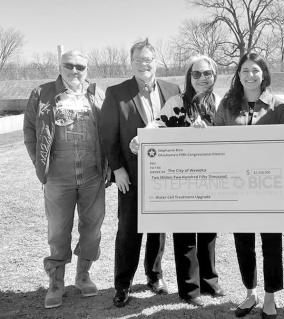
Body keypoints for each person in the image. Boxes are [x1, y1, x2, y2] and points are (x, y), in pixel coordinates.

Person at [131, 55, 225, 307]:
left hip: (212, 177)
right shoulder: (177, 102)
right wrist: (142, 138)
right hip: (182, 177)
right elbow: (158, 124)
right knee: (184, 235)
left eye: (208, 73)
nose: (202, 78)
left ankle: (210, 281)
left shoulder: (221, 102)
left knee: (208, 233)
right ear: (189, 77)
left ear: (214, 76)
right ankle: (190, 289)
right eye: (197, 74)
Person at [23, 50, 108, 309]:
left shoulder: (97, 94)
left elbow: (109, 128)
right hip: (58, 177)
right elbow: (29, 130)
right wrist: (41, 165)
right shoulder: (43, 93)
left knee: (92, 228)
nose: (74, 71)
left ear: (87, 70)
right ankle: (56, 282)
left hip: (92, 174)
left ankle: (83, 275)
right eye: (69, 65)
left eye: (80, 67)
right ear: (60, 67)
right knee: (58, 231)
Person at [100, 39, 181, 308]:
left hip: (165, 174)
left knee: (158, 230)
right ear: (131, 63)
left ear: (155, 62)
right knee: (128, 231)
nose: (144, 65)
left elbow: (180, 128)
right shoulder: (116, 93)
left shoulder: (173, 90)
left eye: (148, 60)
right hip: (131, 176)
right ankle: (122, 284)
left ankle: (154, 275)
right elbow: (108, 135)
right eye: (138, 61)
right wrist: (117, 170)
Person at [214, 52, 284, 319]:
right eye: (244, 70)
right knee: (243, 242)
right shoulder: (227, 104)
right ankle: (250, 294)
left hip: (269, 187)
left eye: (255, 70)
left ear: (264, 74)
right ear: (238, 74)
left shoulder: (278, 106)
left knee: (271, 243)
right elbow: (215, 141)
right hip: (237, 187)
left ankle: (270, 298)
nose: (250, 75)